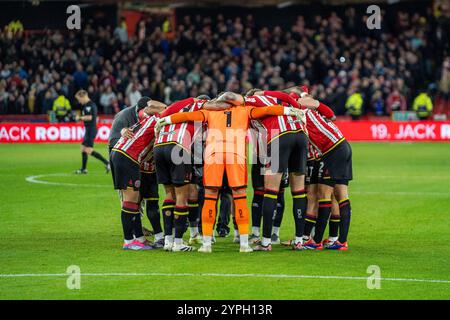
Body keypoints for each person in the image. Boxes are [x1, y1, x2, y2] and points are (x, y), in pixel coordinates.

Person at [156, 92, 304, 253]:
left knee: (210, 196)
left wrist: (165, 120)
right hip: (236, 154)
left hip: (214, 154)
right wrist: (290, 111)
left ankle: (206, 244)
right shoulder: (246, 110)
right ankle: (244, 244)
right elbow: (268, 110)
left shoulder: (209, 112)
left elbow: (186, 116)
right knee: (239, 196)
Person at [110, 105, 166, 250]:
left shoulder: (146, 119)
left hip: (125, 155)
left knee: (134, 201)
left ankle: (139, 239)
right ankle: (129, 241)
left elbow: (147, 110)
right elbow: (151, 107)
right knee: (130, 201)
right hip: (126, 156)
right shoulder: (159, 122)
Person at [74, 90, 110, 174]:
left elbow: (90, 117)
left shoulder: (89, 105)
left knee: (88, 150)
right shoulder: (87, 105)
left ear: (83, 96)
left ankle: (107, 163)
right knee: (83, 148)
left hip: (91, 130)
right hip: (89, 129)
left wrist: (79, 118)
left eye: (79, 99)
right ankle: (83, 169)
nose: (79, 101)